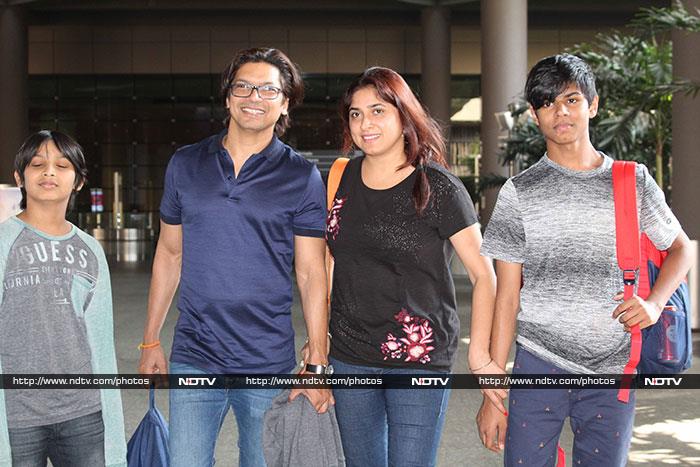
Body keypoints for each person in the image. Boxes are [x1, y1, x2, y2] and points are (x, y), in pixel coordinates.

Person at [477, 54, 693, 466]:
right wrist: (493, 393)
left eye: (572, 99)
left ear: (593, 105)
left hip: (613, 369)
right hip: (537, 363)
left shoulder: (632, 181)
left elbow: (682, 248)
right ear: (535, 116)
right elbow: (506, 297)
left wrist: (653, 303)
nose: (560, 112)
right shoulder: (518, 192)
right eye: (547, 103)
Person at [137, 47, 333, 467]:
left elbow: (312, 272)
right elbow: (170, 254)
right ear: (227, 97)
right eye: (243, 86)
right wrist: (151, 338)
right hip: (195, 352)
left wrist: (317, 359)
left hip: (268, 359)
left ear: (284, 104)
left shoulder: (301, 175)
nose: (254, 97)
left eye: (268, 89)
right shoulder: (186, 163)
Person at [326, 66, 497, 467]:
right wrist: (318, 342)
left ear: (404, 115)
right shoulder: (341, 176)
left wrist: (480, 356)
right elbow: (330, 263)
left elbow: (483, 273)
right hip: (350, 355)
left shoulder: (437, 186)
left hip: (418, 358)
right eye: (355, 113)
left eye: (378, 110)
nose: (364, 123)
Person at [0, 130, 127, 467]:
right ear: (19, 178)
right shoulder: (3, 242)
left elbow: (100, 344)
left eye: (62, 165)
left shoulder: (90, 250)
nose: (49, 172)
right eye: (37, 164)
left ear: (79, 181)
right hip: (17, 416)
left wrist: (113, 431)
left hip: (81, 412)